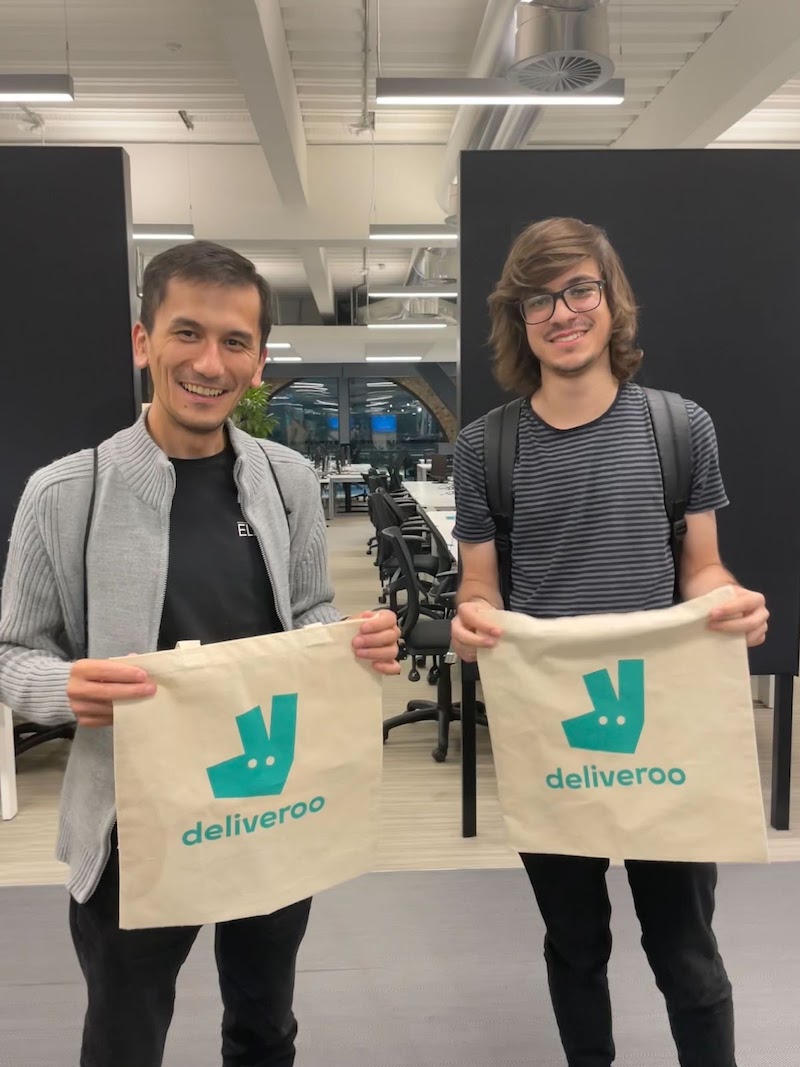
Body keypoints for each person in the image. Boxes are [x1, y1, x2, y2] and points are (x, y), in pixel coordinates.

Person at [0, 240, 400, 1067]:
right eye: (187, 334)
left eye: (235, 342)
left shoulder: (287, 478)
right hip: (134, 821)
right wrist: (66, 685)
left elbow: (310, 606)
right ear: (143, 341)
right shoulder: (65, 492)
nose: (209, 363)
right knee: (125, 1033)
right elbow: (11, 652)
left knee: (264, 1023)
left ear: (257, 362)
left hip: (268, 795)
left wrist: (344, 638)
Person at [451, 217, 768, 1067]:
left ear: (611, 299)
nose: (562, 312)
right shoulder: (485, 448)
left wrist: (727, 598)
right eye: (538, 299)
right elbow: (480, 582)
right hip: (551, 733)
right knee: (576, 945)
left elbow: (700, 568)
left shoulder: (678, 427)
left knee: (686, 951)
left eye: (579, 289)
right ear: (518, 319)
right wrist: (471, 617)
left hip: (665, 726)